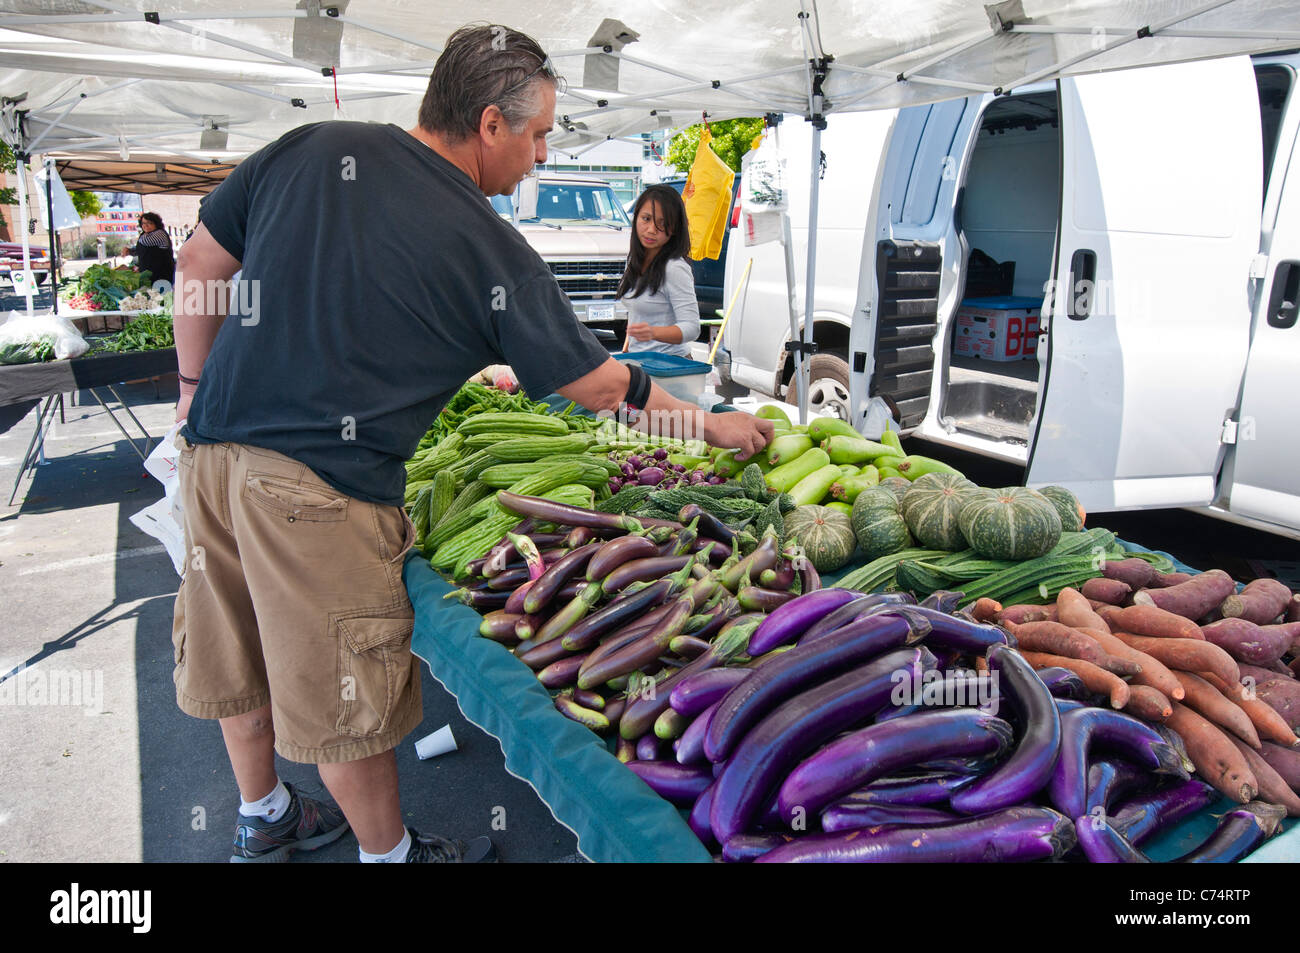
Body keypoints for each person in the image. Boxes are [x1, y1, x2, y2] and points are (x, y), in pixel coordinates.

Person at [171, 23, 773, 865]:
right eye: (536, 135)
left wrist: (193, 394)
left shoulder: (314, 146)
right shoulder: (485, 243)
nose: (540, 154)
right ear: (490, 124)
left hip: (208, 458)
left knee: (235, 650)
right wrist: (710, 423)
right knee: (349, 703)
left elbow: (200, 264)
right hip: (317, 493)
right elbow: (601, 389)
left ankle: (263, 812)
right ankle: (393, 857)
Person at [618, 185, 700, 358]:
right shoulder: (635, 260)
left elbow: (692, 328)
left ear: (675, 229)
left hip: (670, 366)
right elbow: (635, 317)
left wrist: (653, 332)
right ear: (636, 217)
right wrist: (625, 353)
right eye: (646, 219)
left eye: (662, 224)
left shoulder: (674, 268)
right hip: (639, 362)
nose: (651, 230)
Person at [129, 212, 175, 289]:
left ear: (156, 223)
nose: (145, 225)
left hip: (161, 275)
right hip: (149, 276)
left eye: (149, 223)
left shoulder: (159, 233)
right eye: (143, 223)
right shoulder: (146, 234)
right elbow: (140, 250)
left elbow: (144, 241)